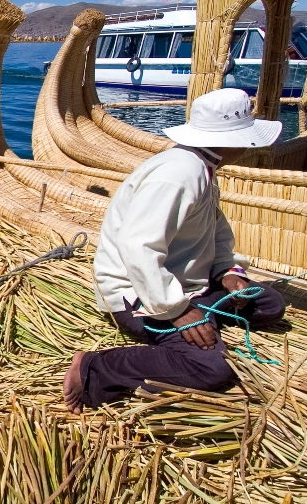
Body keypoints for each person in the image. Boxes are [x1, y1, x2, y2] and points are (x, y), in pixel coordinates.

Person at [64, 88, 287, 413]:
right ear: (232, 141)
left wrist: (227, 272)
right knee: (211, 368)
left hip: (186, 283)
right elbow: (137, 244)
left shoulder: (202, 169)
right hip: (136, 294)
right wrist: (177, 310)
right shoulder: (180, 173)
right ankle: (94, 367)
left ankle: (206, 313)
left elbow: (216, 231)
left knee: (268, 303)